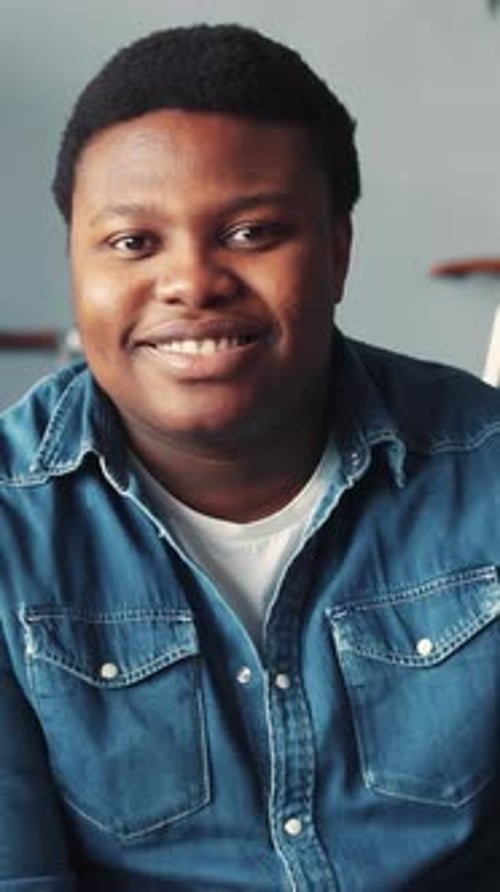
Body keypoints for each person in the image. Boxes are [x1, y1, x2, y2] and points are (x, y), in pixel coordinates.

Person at [1, 22, 500, 892]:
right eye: (132, 242)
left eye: (251, 232)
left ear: (338, 253)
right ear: (76, 263)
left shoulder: (484, 471)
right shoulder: (13, 527)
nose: (192, 281)